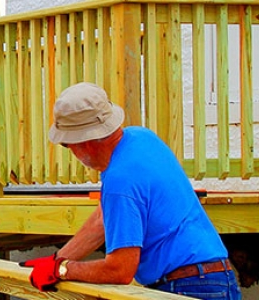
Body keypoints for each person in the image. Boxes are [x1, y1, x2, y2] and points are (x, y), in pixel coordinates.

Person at [19, 82, 241, 299]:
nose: (72, 153)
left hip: (186, 287)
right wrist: (57, 259)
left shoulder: (119, 180)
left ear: (83, 142)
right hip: (217, 278)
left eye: (67, 145)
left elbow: (119, 269)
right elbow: (102, 219)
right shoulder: (141, 139)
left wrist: (63, 270)